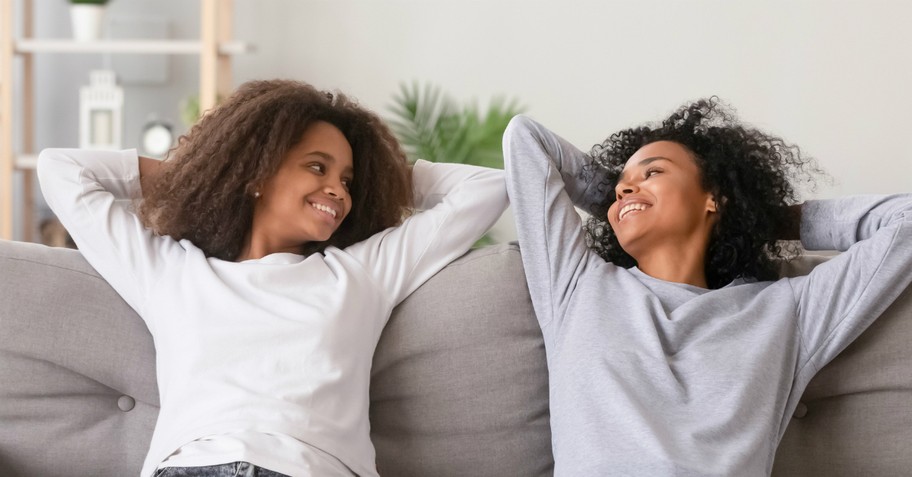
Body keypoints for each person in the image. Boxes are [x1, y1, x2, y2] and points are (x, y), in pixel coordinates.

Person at [38, 79, 507, 477]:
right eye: (317, 167)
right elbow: (61, 169)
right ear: (258, 172)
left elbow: (489, 189)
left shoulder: (364, 272)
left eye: (347, 180)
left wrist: (379, 181)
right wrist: (210, 171)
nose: (337, 190)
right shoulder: (170, 270)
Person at [502, 97, 912, 476]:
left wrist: (770, 220)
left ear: (713, 198)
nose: (625, 187)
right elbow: (526, 138)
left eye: (654, 171)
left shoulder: (788, 310)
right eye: (620, 184)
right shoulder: (575, 285)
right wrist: (626, 200)